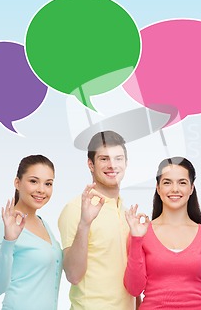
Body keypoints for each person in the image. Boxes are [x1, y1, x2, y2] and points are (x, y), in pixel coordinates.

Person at [124, 157, 201, 310]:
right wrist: (136, 239)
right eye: (167, 182)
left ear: (191, 188)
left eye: (182, 182)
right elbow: (134, 289)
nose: (175, 189)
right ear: (158, 188)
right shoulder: (141, 233)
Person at [58, 131, 140, 310]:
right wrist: (84, 224)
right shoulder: (75, 209)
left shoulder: (127, 214)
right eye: (104, 159)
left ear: (126, 163)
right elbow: (73, 275)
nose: (112, 165)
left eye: (118, 158)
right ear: (90, 164)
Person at [0, 155, 62, 310]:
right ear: (17, 182)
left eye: (48, 183)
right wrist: (9, 241)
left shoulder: (44, 224)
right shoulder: (6, 224)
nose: (41, 190)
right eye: (33, 181)